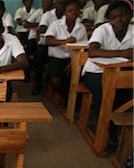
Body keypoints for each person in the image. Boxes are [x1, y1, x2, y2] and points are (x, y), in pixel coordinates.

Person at [81, 0, 133, 140]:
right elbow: (92, 51)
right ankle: (106, 130)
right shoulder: (102, 30)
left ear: (130, 15)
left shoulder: (133, 31)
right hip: (95, 72)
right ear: (109, 20)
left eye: (123, 15)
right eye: (114, 17)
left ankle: (120, 130)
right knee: (105, 94)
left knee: (124, 96)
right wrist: (124, 53)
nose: (119, 20)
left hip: (122, 73)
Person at [45, 0, 88, 105]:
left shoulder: (81, 27)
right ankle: (64, 94)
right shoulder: (56, 24)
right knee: (55, 80)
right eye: (70, 10)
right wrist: (65, 41)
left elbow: (85, 47)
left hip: (74, 58)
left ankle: (72, 99)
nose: (74, 12)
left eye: (76, 10)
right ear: (64, 12)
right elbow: (48, 41)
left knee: (79, 78)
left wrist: (72, 62)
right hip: (57, 58)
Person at [31, 0, 65, 95]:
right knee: (39, 57)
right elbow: (42, 28)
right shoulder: (48, 15)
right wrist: (53, 30)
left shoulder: (68, 16)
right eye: (59, 3)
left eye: (64, 4)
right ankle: (38, 84)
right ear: (56, 5)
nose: (62, 6)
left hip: (63, 47)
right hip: (46, 44)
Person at [24, 0, 55, 87]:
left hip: (48, 40)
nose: (46, 3)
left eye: (49, 2)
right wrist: (40, 25)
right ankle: (28, 74)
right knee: (28, 51)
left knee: (40, 56)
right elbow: (26, 24)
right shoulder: (38, 12)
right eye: (45, 1)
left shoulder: (54, 14)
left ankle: (41, 80)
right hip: (34, 37)